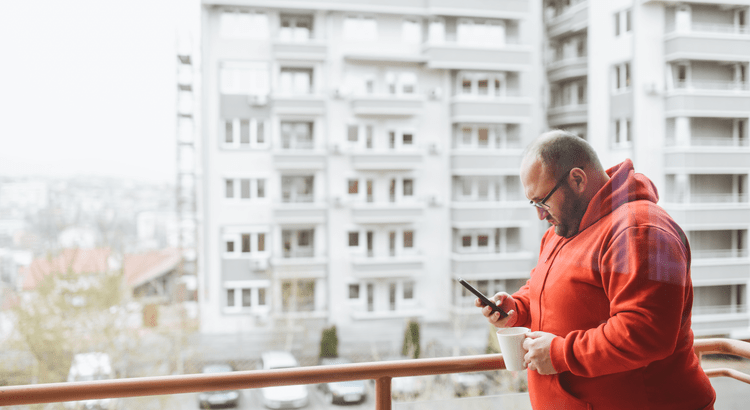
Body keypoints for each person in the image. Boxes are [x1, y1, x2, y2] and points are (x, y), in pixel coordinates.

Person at [476, 130, 716, 409]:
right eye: (533, 203)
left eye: (543, 201)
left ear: (577, 179)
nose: (540, 214)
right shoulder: (561, 230)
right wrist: (517, 307)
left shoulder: (640, 231)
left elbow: (645, 333)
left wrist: (559, 354)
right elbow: (546, 289)